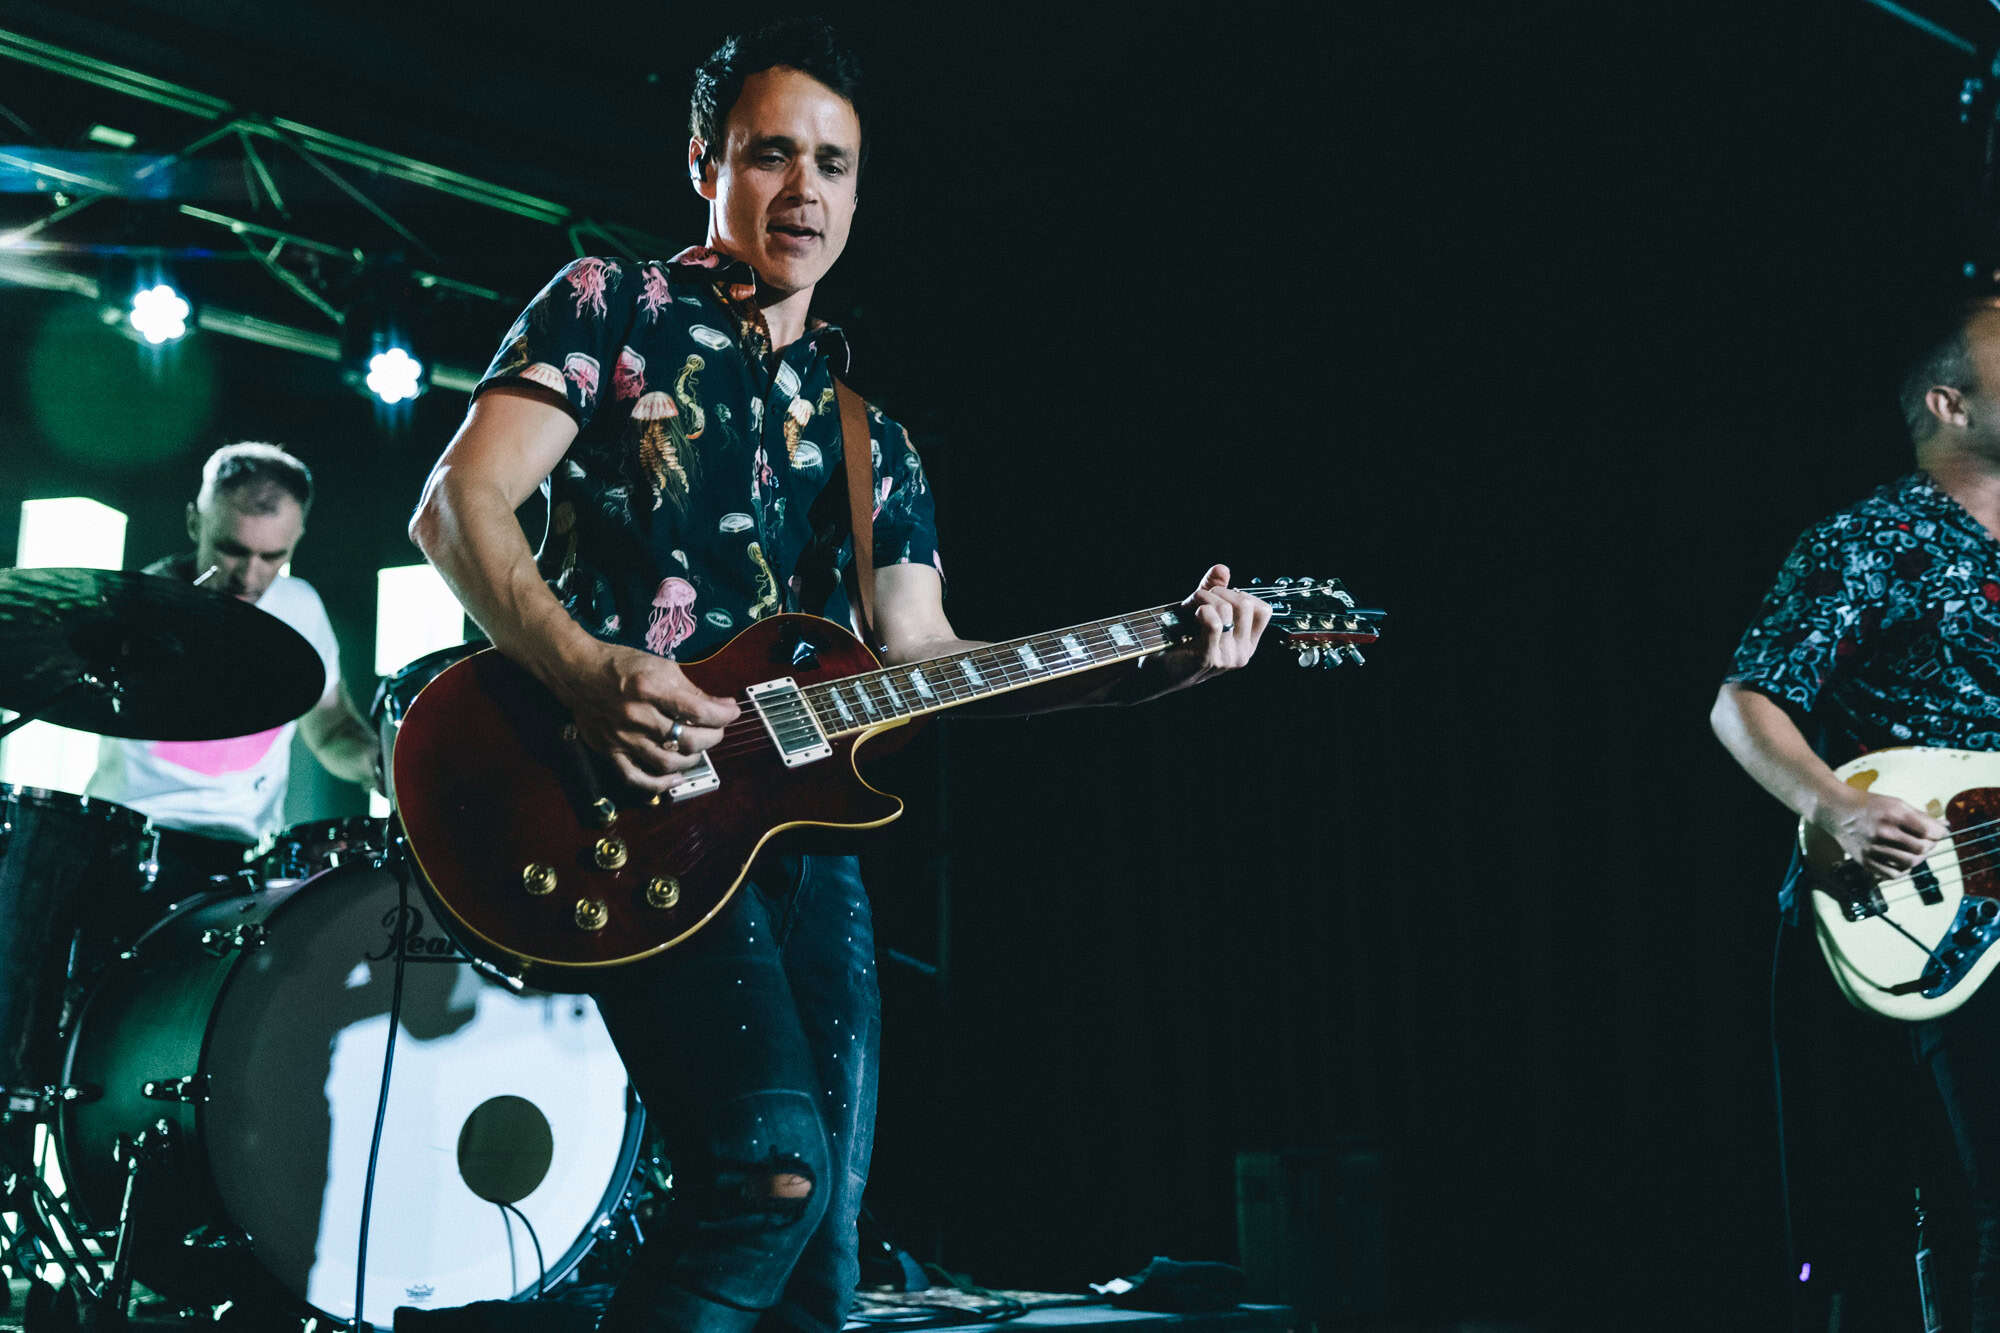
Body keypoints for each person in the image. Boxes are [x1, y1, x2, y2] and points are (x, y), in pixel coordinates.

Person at [408, 18, 1272, 1333]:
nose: (803, 190)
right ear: (704, 161)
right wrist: (583, 668)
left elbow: (927, 657)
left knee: (820, 1262)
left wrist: (1155, 664)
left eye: (833, 164)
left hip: (799, 840)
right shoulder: (611, 307)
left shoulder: (878, 442)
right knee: (767, 1176)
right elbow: (457, 504)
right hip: (619, 801)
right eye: (770, 154)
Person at [1711, 297, 2000, 1328]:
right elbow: (1743, 702)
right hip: (1934, 905)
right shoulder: (1871, 538)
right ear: (1950, 403)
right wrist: (1834, 807)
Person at [89, 442, 376, 890]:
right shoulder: (138, 605)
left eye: (272, 557)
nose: (249, 576)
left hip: (246, 856)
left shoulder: (301, 607)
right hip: (131, 841)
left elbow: (331, 730)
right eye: (231, 550)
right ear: (194, 522)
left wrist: (382, 766)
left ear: (297, 537)